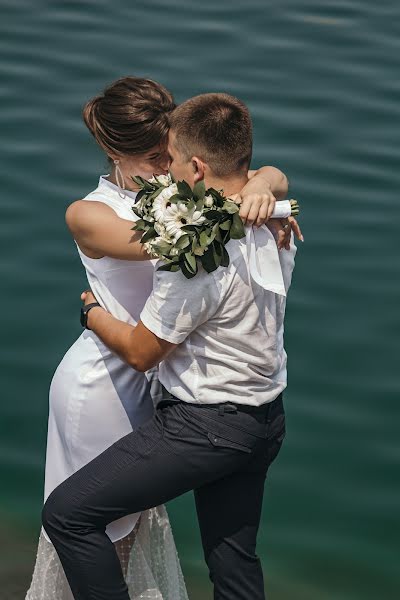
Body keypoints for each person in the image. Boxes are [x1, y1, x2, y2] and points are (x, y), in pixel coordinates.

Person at [26, 78, 297, 600]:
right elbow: (172, 239)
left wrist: (265, 188)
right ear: (113, 151)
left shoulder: (189, 202)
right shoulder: (95, 214)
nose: (162, 168)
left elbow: (233, 184)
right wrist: (258, 197)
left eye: (168, 154)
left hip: (174, 384)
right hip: (110, 380)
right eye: (153, 156)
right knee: (98, 527)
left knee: (121, 529)